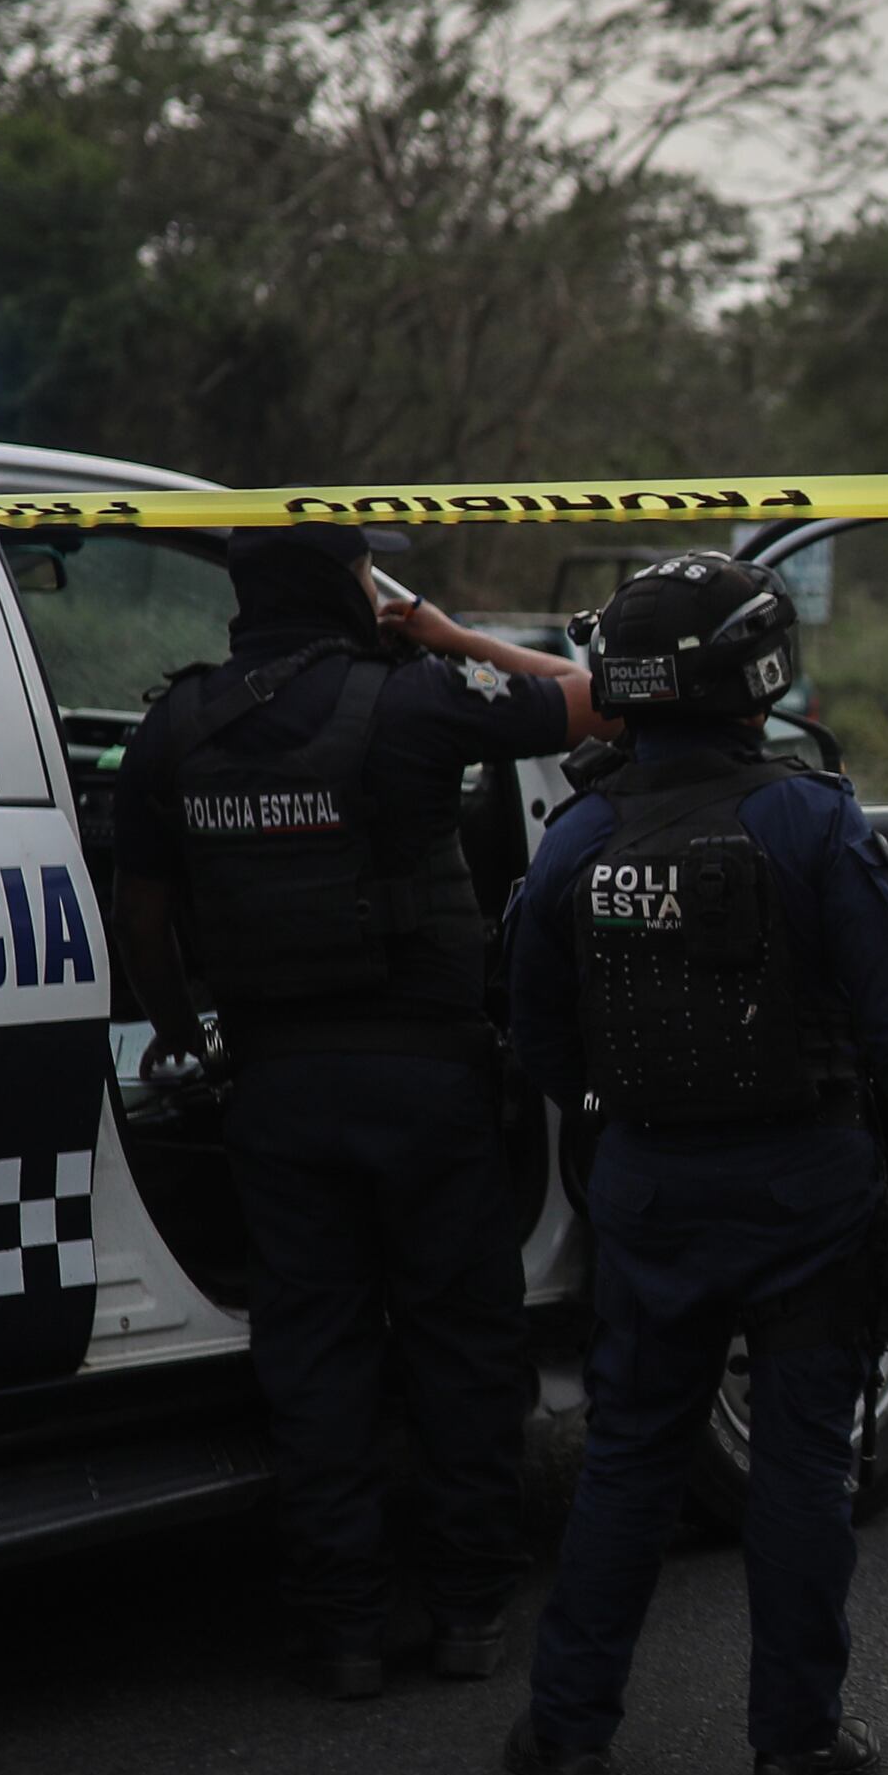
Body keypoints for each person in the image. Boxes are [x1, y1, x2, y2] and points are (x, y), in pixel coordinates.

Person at [493, 551, 888, 1775]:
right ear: (760, 673)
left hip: (651, 1191)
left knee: (629, 1456)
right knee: (799, 1465)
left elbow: (539, 1042)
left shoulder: (574, 837)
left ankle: (567, 1731)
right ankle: (796, 1742)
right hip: (807, 1194)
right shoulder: (812, 820)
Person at [117, 521, 605, 1699]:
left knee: (315, 1360)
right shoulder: (421, 698)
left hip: (279, 1091)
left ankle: (340, 1630)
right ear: (348, 582)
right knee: (458, 1344)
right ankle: (469, 1614)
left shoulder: (172, 726)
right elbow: (599, 703)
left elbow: (141, 916)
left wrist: (191, 1040)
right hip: (426, 1086)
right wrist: (438, 630)